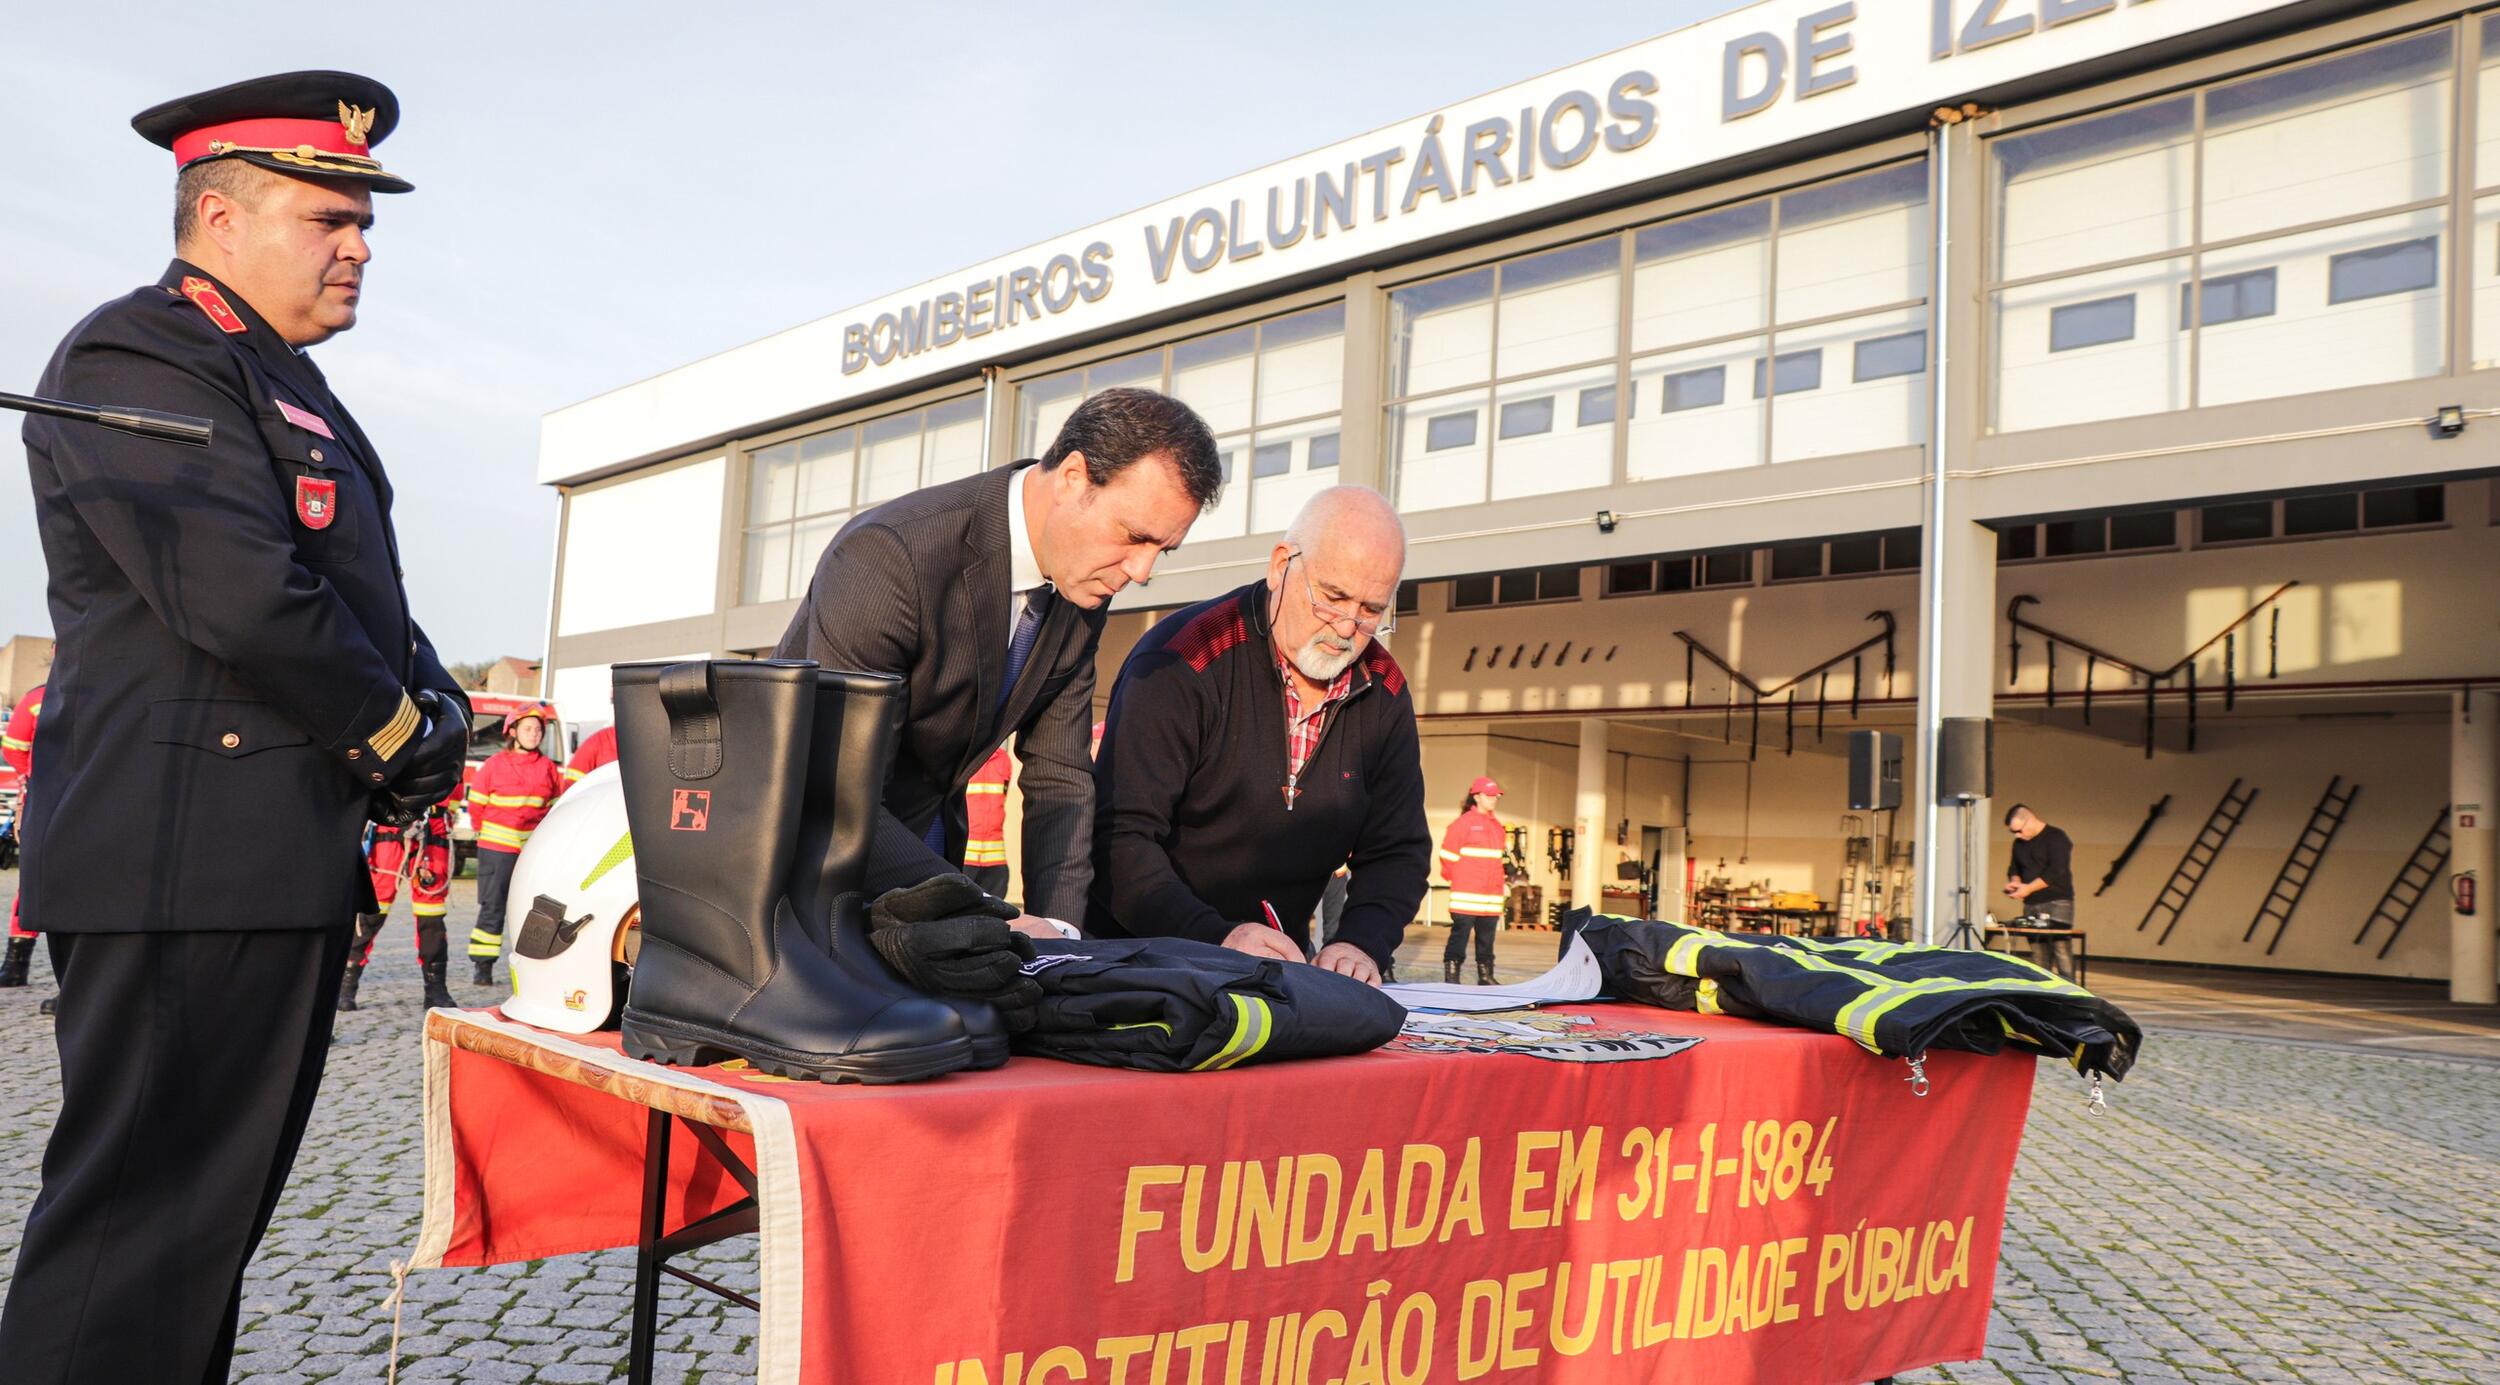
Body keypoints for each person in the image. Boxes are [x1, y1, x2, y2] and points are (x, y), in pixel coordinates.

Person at [0, 72, 469, 1382]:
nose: (359, 244)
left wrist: (440, 697)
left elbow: (360, 596)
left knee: (196, 1242)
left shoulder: (288, 385)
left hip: (264, 860)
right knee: (130, 1242)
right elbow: (241, 589)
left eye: (362, 221)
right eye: (329, 217)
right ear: (216, 216)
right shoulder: (139, 351)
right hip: (181, 856)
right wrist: (398, 733)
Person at [774, 387, 1220, 935]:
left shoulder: (1080, 595)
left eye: (1162, 550)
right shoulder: (890, 557)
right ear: (1074, 477)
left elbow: (1060, 778)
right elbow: (835, 791)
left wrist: (1057, 938)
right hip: (806, 889)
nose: (1143, 571)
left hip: (930, 868)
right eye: (1134, 537)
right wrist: (982, 917)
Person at [1088, 487, 1430, 985]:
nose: (1347, 627)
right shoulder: (1183, 659)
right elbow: (1119, 837)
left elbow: (1398, 849)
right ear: (1280, 566)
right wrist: (1217, 938)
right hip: (1143, 961)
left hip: (1278, 967)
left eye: (1371, 610)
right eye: (1332, 597)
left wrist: (1361, 941)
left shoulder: (1385, 689)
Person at [465, 704, 567, 983]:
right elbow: (476, 807)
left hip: (532, 852)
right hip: (497, 850)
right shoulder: (495, 765)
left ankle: (532, 967)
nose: (534, 734)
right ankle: (482, 967)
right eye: (528, 729)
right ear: (512, 732)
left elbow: (556, 810)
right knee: (493, 907)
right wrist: (488, 837)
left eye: (538, 730)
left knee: (536, 910)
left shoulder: (548, 769)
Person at [343, 801, 455, 1010]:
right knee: (372, 909)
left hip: (433, 827)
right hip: (390, 824)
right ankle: (346, 986)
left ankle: (435, 989)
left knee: (431, 916)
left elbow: (454, 787)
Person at [1440, 777, 1508, 984]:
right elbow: (1447, 857)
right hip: (1466, 894)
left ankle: (1485, 976)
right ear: (1476, 797)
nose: (1494, 799)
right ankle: (1452, 977)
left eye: (1496, 795)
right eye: (1489, 795)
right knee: (1459, 937)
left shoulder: (1497, 826)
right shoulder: (1463, 824)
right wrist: (1461, 880)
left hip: (1491, 896)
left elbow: (1499, 859)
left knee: (1487, 939)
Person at [1, 683, 43, 988]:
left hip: (45, 800)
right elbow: (13, 747)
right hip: (47, 800)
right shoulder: (35, 698)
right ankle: (15, 965)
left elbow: (14, 749)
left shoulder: (37, 697)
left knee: (33, 881)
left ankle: (16, 968)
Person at [2003, 802, 2077, 927]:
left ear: (2030, 821)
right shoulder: (2018, 843)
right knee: (2036, 945)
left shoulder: (2056, 837)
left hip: (2057, 902)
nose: (2017, 835)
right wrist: (2016, 883)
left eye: (2019, 830)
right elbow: (2014, 868)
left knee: (2059, 945)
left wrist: (2028, 888)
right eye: (2013, 832)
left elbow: (2056, 870)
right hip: (2031, 903)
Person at [962, 745, 1013, 898]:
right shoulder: (964, 757)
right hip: (965, 859)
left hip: (996, 861)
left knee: (997, 915)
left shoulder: (1003, 760)